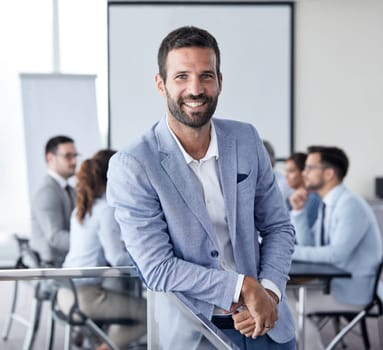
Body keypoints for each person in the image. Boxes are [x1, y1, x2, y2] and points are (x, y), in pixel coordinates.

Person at [107, 26, 296, 349]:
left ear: (220, 82)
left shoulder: (246, 139)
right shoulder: (134, 164)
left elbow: (279, 227)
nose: (195, 89)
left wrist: (268, 291)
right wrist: (241, 287)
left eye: (206, 76)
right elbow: (157, 268)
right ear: (160, 83)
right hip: (195, 331)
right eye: (181, 76)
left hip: (267, 322)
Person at [289, 145, 382, 349]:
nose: (304, 173)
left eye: (310, 168)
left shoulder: (349, 204)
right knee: (283, 297)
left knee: (286, 308)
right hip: (335, 284)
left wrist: (289, 250)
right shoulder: (329, 203)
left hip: (354, 292)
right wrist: (299, 213)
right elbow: (310, 246)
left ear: (329, 173)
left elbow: (336, 254)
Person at [58, 149, 146, 350]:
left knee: (126, 301)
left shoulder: (80, 210)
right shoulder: (106, 210)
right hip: (85, 297)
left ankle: (105, 343)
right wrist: (146, 260)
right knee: (149, 313)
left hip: (65, 293)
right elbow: (116, 258)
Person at [30, 135, 77, 267]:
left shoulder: (70, 190)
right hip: (54, 268)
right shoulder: (47, 191)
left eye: (75, 155)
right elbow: (55, 237)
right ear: (50, 158)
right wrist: (89, 242)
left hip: (68, 262)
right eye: (68, 156)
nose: (74, 161)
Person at [285, 152, 321, 228]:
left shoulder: (313, 199)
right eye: (286, 171)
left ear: (303, 172)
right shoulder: (290, 198)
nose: (286, 175)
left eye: (291, 171)